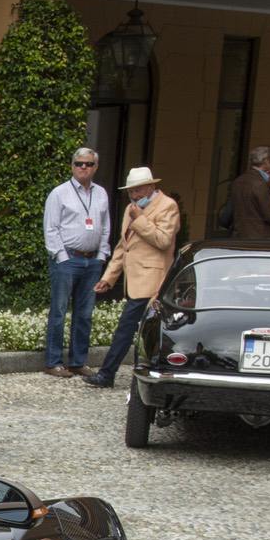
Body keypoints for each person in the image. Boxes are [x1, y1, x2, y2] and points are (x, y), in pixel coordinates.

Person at [85, 167, 180, 389]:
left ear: (151, 187)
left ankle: (108, 374)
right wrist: (109, 277)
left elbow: (163, 240)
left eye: (138, 190)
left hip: (154, 279)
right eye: (130, 191)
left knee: (130, 329)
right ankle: (115, 375)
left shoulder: (167, 206)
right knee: (135, 330)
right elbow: (123, 246)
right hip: (135, 280)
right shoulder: (131, 209)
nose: (134, 195)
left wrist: (139, 219)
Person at [41, 147, 111, 377]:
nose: (83, 167)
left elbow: (105, 226)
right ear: (72, 166)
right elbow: (51, 228)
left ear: (95, 167)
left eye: (88, 164)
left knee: (85, 314)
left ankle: (78, 361)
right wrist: (61, 257)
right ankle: (53, 362)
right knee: (59, 311)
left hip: (92, 261)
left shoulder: (101, 193)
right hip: (68, 259)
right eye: (79, 163)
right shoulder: (59, 193)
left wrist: (101, 256)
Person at [230, 145, 270, 240]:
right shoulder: (260, 184)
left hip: (238, 234)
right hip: (258, 237)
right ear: (266, 161)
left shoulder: (238, 181)